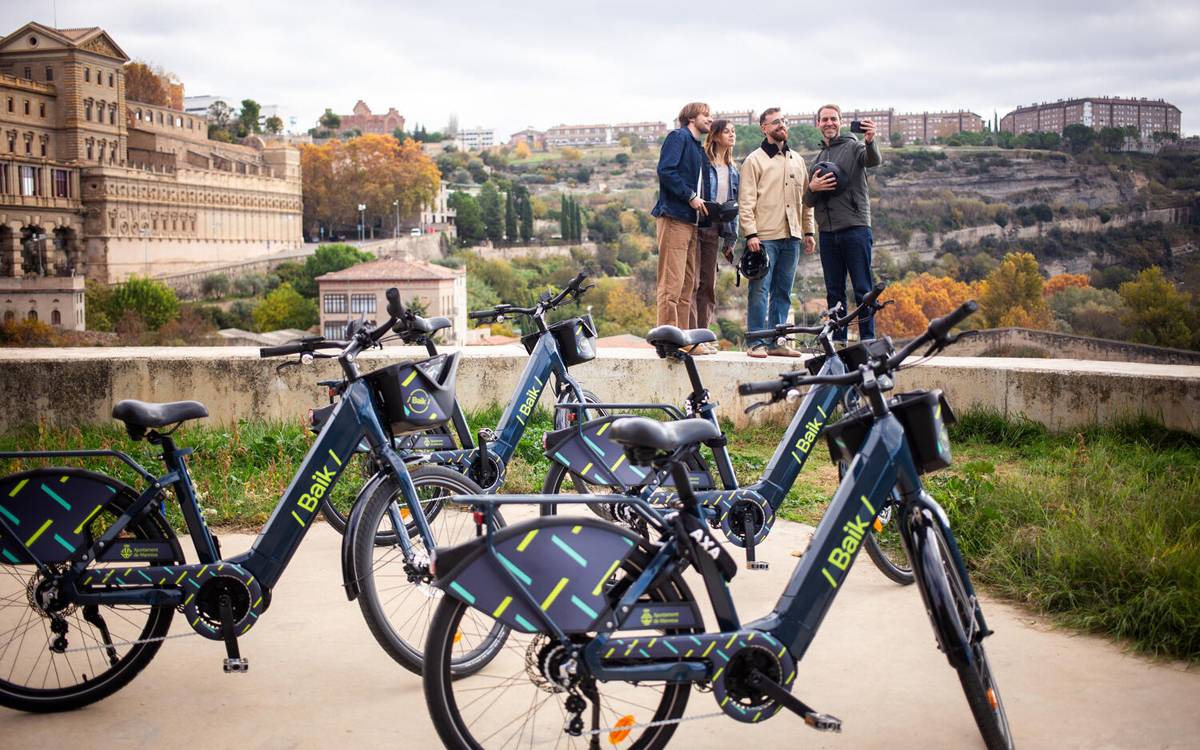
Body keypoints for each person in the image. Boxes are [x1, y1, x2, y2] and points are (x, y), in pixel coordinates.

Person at [739, 108, 817, 358]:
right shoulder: (754, 160)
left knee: (783, 290)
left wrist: (808, 231)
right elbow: (746, 201)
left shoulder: (798, 160)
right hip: (764, 237)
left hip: (792, 236)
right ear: (764, 128)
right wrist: (750, 234)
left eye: (784, 121)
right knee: (760, 290)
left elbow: (806, 201)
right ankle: (756, 342)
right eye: (775, 122)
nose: (782, 125)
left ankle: (777, 342)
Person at [805, 103, 883, 342]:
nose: (829, 123)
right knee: (834, 293)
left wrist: (870, 140)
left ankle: (868, 341)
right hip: (827, 233)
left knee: (862, 288)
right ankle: (838, 342)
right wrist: (812, 187)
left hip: (855, 228)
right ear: (818, 124)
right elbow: (807, 201)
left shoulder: (855, 147)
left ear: (840, 122)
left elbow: (873, 160)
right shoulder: (817, 159)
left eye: (833, 119)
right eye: (824, 119)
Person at [651, 102, 712, 329]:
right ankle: (668, 338)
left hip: (691, 222)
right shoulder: (678, 137)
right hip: (675, 218)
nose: (710, 119)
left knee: (688, 285)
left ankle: (683, 337)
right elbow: (665, 171)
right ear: (690, 117)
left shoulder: (698, 148)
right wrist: (690, 196)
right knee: (671, 283)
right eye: (706, 114)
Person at [689, 118, 739, 353]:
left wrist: (730, 240)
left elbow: (733, 206)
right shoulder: (702, 160)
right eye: (727, 131)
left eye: (734, 131)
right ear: (716, 135)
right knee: (692, 283)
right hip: (695, 226)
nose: (732, 135)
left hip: (715, 231)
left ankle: (704, 335)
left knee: (708, 285)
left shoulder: (732, 169)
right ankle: (691, 338)